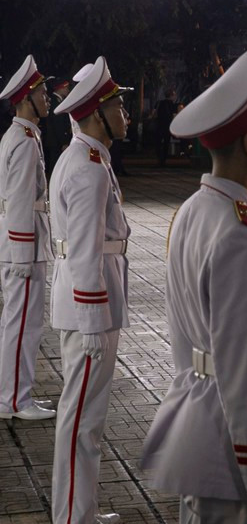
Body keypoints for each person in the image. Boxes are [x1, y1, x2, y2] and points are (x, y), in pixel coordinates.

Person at [141, 47, 247, 524]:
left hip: (202, 430)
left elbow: (186, 346)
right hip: (233, 457)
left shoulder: (194, 210)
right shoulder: (238, 235)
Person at [49, 55, 132, 524]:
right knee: (81, 421)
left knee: (85, 420)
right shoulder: (88, 167)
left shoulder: (86, 158)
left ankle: (80, 510)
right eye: (117, 106)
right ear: (97, 113)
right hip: (88, 314)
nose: (126, 114)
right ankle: (71, 517)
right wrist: (94, 320)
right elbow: (83, 253)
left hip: (86, 307)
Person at [0, 55, 56, 421]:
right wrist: (22, 255)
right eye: (43, 93)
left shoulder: (22, 136)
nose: (47, 98)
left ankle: (15, 396)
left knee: (20, 324)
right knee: (22, 326)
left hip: (24, 245)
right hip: (23, 248)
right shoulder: (24, 141)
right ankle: (14, 401)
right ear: (25, 99)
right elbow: (20, 199)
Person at [45, 77, 73, 176]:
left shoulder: (57, 101)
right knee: (56, 167)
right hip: (57, 142)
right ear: (61, 88)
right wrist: (64, 142)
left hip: (56, 141)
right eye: (66, 88)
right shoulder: (55, 102)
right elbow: (58, 125)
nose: (68, 90)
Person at [155, 89, 178, 166]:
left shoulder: (159, 103)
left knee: (158, 142)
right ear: (171, 96)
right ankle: (163, 159)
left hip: (159, 125)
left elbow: (154, 113)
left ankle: (158, 157)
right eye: (174, 95)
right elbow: (174, 116)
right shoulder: (173, 105)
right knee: (166, 143)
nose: (175, 96)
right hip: (167, 126)